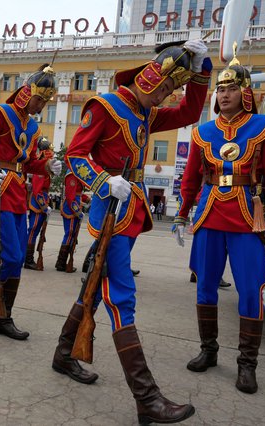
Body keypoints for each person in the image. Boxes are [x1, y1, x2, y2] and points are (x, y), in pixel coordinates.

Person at [54, 40, 211, 424]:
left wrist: (203, 69)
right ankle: (147, 397)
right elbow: (75, 155)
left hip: (130, 209)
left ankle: (62, 355)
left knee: (93, 283)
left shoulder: (148, 112)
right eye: (164, 89)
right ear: (150, 78)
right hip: (111, 210)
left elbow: (191, 109)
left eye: (169, 91)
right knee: (120, 294)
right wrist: (104, 181)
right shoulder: (105, 107)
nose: (166, 97)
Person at [173, 48, 265, 395]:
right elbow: (191, 177)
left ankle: (247, 364)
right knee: (206, 285)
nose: (224, 95)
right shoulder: (203, 132)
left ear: (246, 92)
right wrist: (181, 213)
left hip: (246, 218)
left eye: (231, 89)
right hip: (208, 215)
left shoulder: (262, 127)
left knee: (250, 290)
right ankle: (208, 350)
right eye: (220, 90)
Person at [0, 63, 62, 340]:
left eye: (46, 102)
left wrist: (46, 167)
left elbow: (26, 162)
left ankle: (3, 317)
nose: (42, 106)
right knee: (8, 256)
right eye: (40, 99)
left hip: (19, 193)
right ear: (28, 91)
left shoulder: (32, 126)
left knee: (17, 259)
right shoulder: (0, 114)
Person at [24, 137, 53, 270]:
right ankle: (28, 259)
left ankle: (29, 258)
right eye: (49, 151)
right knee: (33, 231)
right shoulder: (41, 166)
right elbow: (37, 190)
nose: (51, 154)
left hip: (42, 202)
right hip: (37, 204)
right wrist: (44, 206)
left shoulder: (46, 167)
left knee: (36, 231)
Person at [55, 169, 83, 273]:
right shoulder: (72, 174)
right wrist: (77, 211)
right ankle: (61, 263)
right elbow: (71, 197)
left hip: (74, 206)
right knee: (69, 233)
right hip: (71, 209)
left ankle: (62, 262)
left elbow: (78, 193)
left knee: (71, 235)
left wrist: (86, 200)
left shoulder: (76, 173)